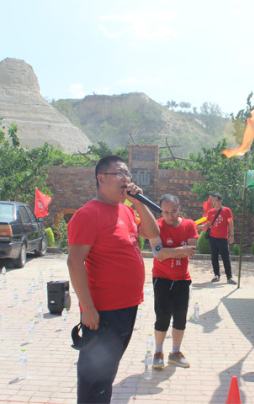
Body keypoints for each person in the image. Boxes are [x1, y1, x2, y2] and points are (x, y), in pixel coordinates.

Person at [67, 155, 160, 403]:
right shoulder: (88, 214)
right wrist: (88, 309)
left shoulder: (126, 211)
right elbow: (74, 262)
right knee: (94, 376)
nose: (125, 179)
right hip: (103, 312)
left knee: (107, 373)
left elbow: (153, 232)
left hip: (127, 307)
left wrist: (138, 203)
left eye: (127, 174)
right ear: (101, 178)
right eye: (119, 173)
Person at [149, 194, 199, 370]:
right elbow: (158, 254)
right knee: (162, 316)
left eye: (173, 211)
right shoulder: (156, 225)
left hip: (182, 279)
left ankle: (175, 353)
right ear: (161, 211)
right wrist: (180, 250)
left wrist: (169, 251)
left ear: (179, 209)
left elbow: (191, 250)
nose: (170, 216)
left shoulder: (189, 224)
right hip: (161, 278)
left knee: (180, 317)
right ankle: (158, 352)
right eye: (166, 212)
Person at [200, 193, 236, 284]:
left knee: (225, 258)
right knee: (214, 257)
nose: (213, 203)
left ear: (220, 201)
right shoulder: (210, 212)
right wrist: (199, 227)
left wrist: (231, 235)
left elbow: (231, 223)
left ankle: (229, 277)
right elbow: (208, 225)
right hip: (212, 238)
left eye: (215, 201)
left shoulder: (227, 210)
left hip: (223, 238)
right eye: (212, 201)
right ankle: (216, 275)